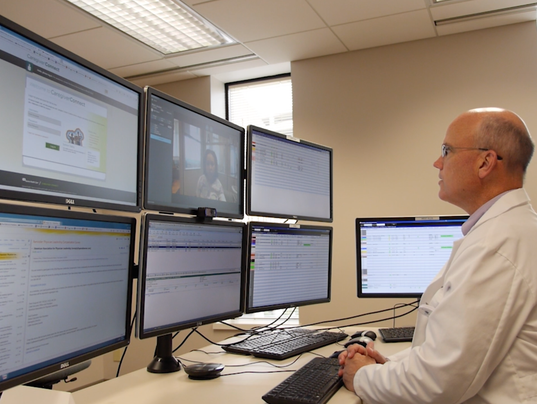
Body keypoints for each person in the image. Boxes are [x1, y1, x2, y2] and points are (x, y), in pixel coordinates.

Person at [338, 108, 537, 403]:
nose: (437, 163)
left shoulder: (497, 244)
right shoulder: (502, 232)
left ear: (485, 162)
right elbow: (450, 355)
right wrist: (390, 367)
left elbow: (440, 382)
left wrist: (362, 375)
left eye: (447, 151)